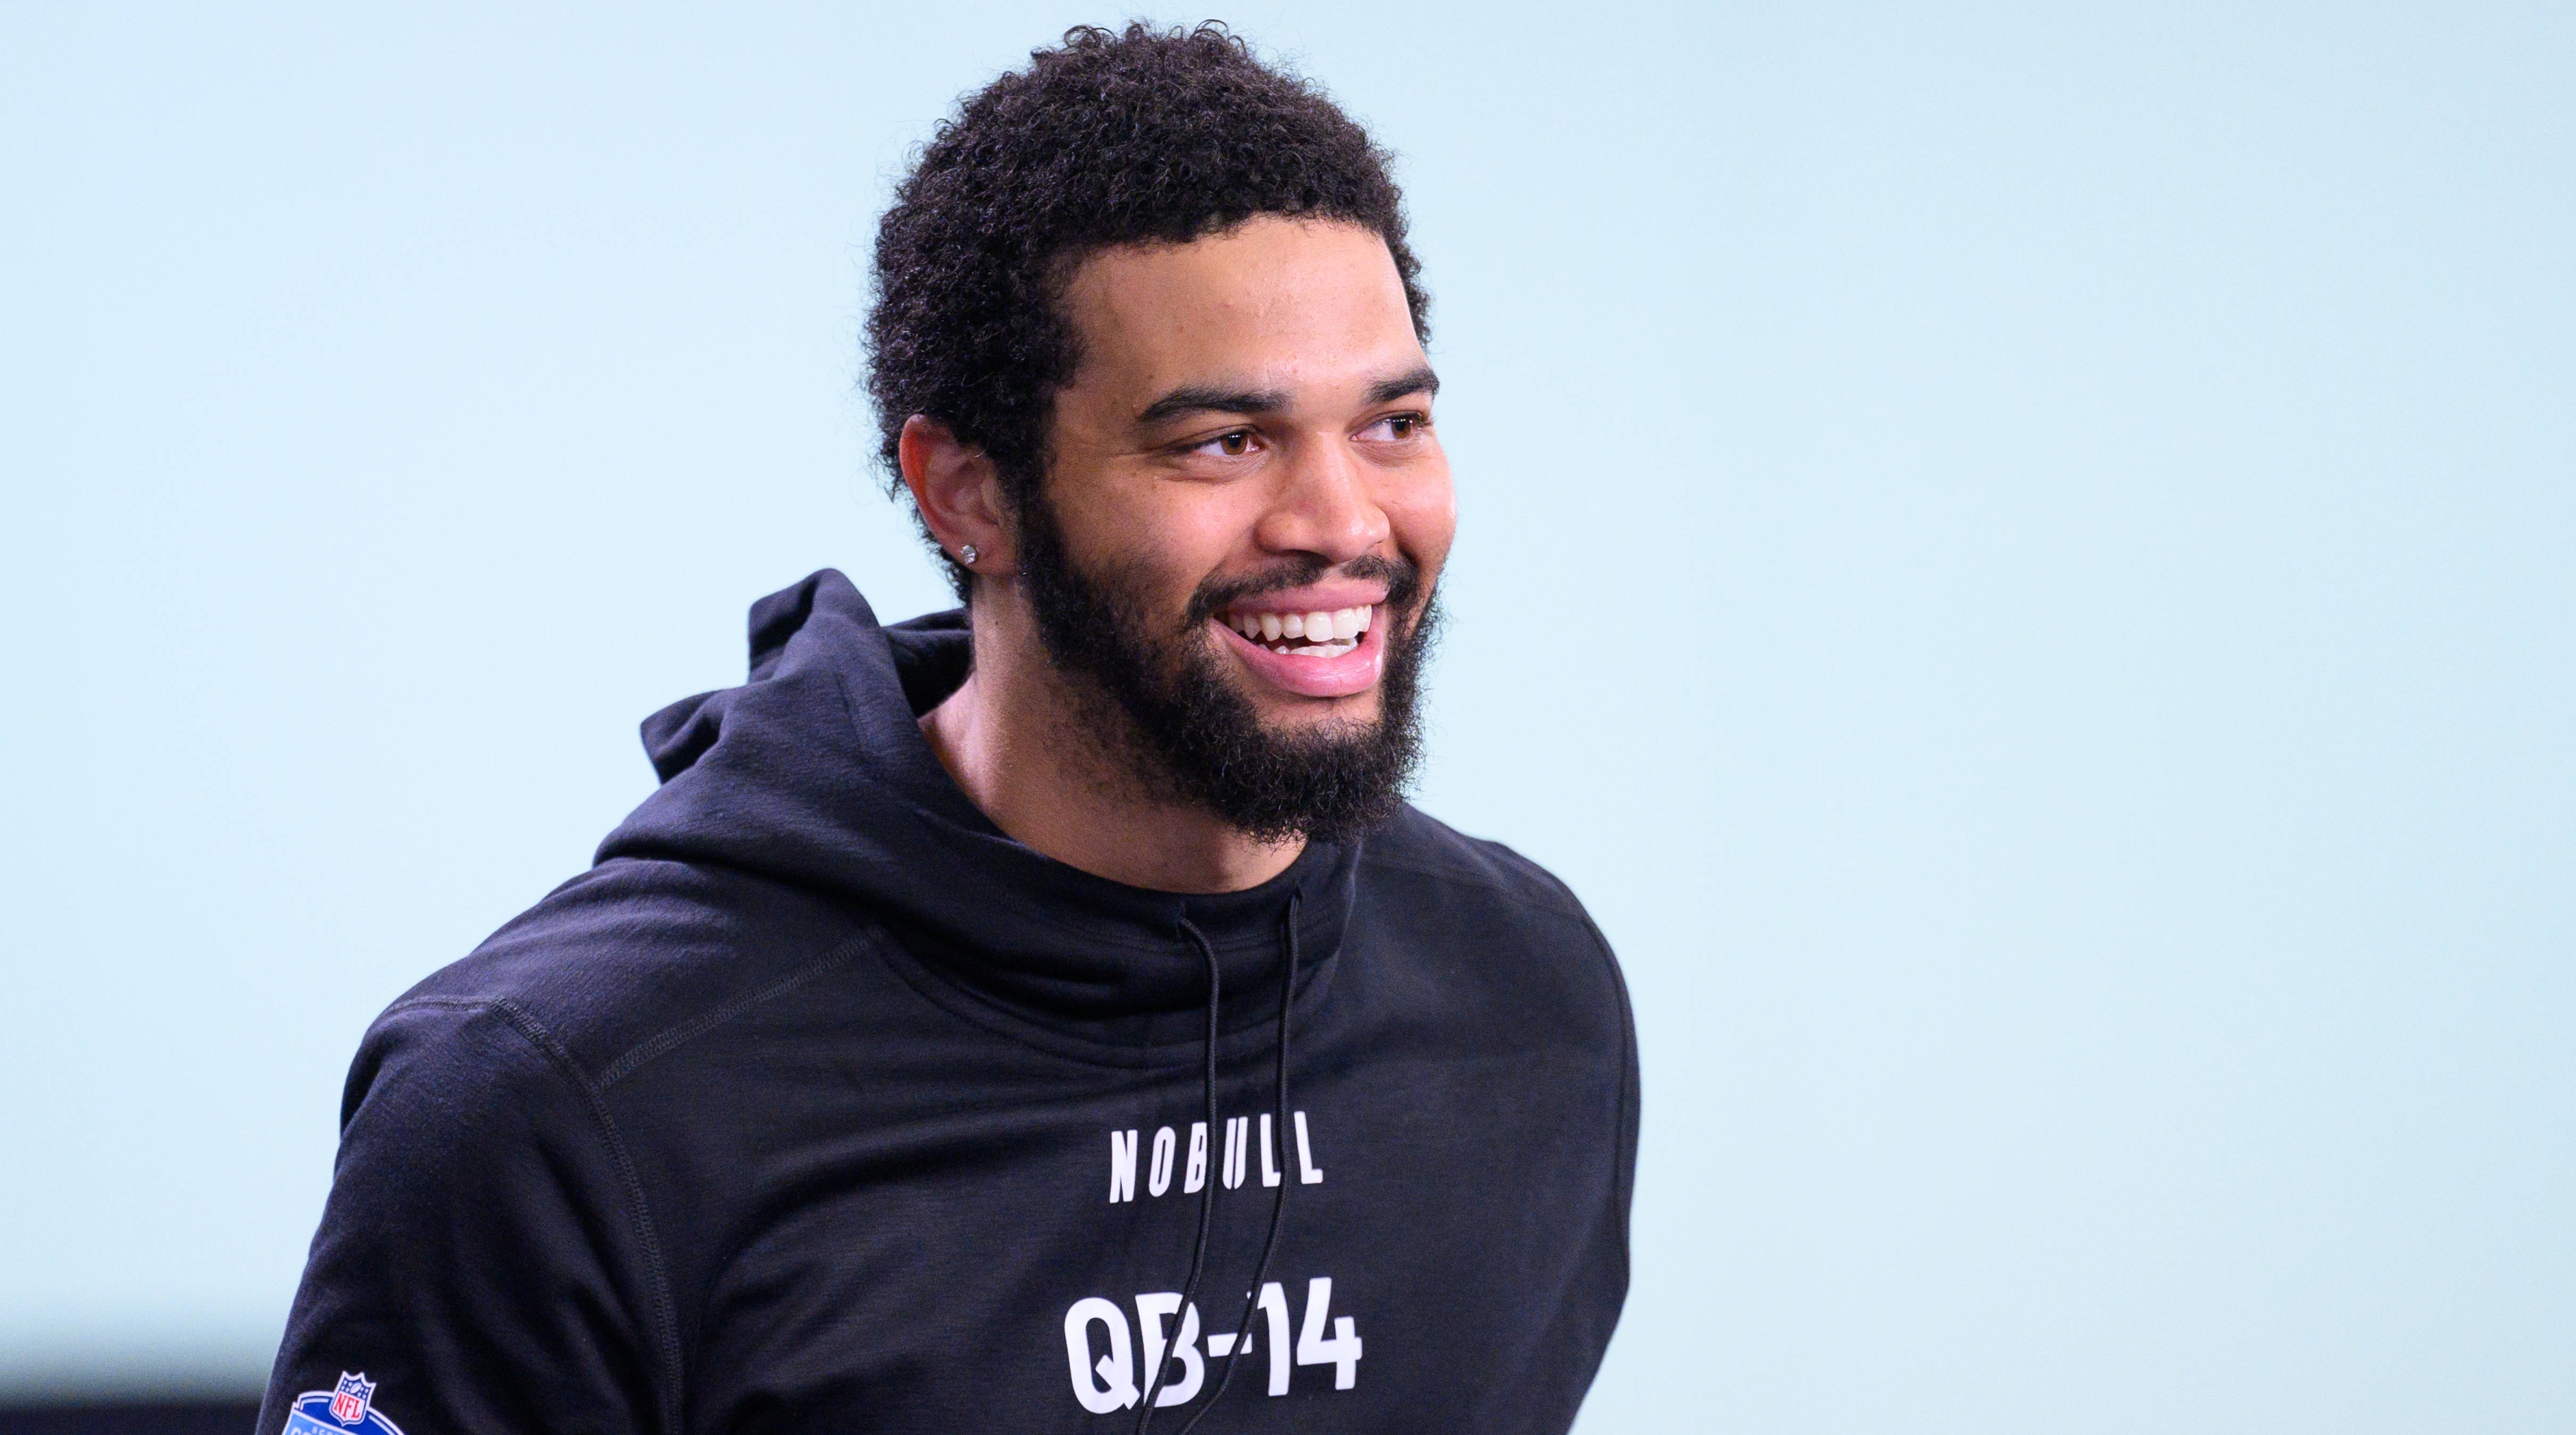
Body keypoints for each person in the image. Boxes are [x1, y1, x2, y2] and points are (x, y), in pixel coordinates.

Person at [259, 23, 1635, 1434]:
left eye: (1391, 424)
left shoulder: (1526, 1002)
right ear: (965, 493)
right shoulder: (557, 1103)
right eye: (1223, 441)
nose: (1343, 522)